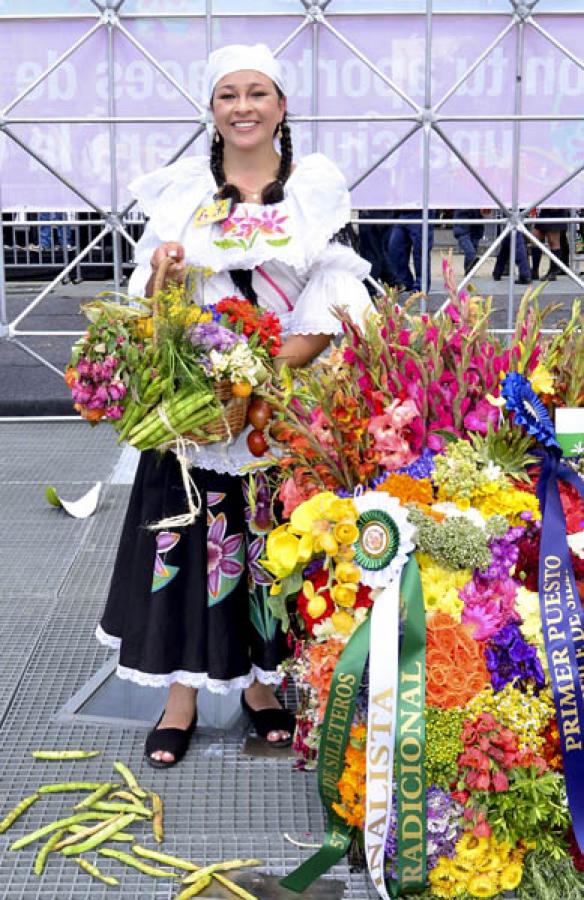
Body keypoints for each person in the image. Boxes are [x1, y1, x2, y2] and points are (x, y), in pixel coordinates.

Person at [95, 44, 373, 769]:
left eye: (258, 93)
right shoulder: (184, 194)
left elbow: (336, 289)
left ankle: (261, 689)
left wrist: (258, 377)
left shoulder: (312, 189)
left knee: (271, 553)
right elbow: (151, 306)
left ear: (282, 106)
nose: (243, 107)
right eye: (228, 95)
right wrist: (164, 278)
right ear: (211, 110)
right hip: (197, 412)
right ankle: (180, 698)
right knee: (188, 549)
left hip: (275, 411)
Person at [386, 209, 436, 294]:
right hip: (402, 210)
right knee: (394, 249)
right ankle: (405, 282)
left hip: (421, 211)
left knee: (420, 252)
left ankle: (420, 287)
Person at [529, 207, 568, 281]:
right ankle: (534, 271)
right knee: (535, 240)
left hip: (555, 209)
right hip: (545, 210)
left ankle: (552, 272)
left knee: (553, 241)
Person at [453, 209, 485, 275]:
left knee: (464, 233)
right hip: (475, 206)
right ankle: (469, 266)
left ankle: (470, 263)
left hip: (465, 205)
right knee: (474, 234)